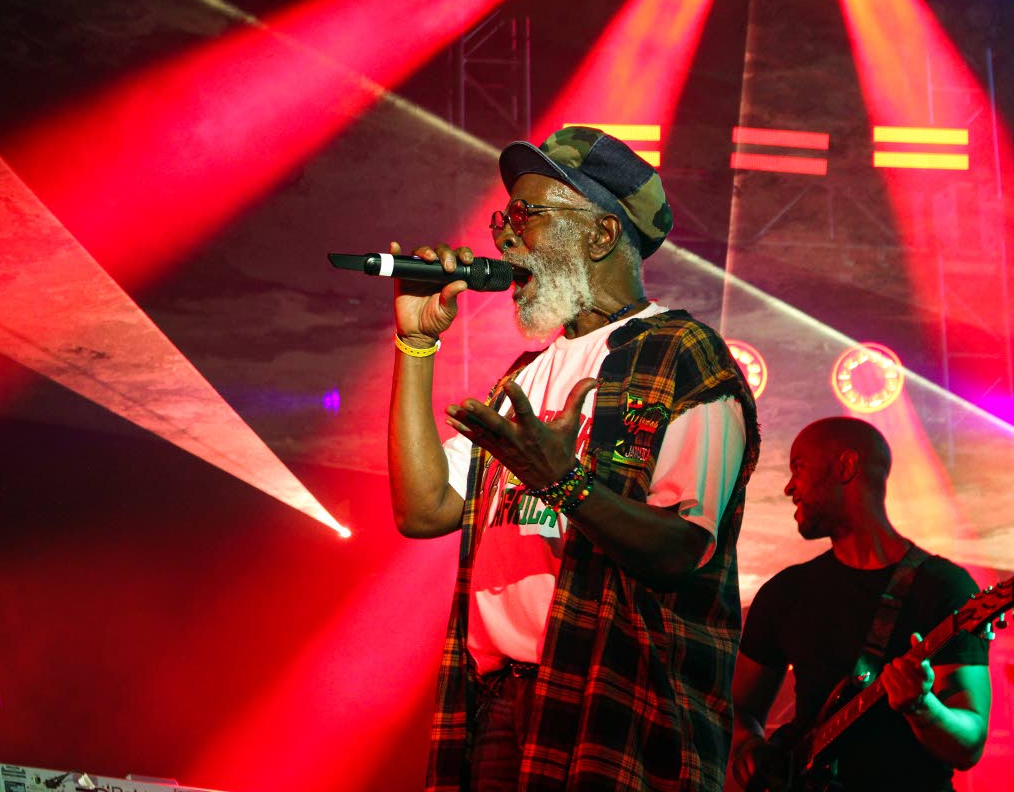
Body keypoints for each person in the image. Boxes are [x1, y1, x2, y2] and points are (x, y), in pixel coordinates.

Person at [388, 125, 760, 790]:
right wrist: (417, 345)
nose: (505, 239)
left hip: (614, 711)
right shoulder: (525, 376)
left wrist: (563, 480)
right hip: (496, 704)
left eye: (526, 216)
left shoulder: (681, 353)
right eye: (504, 220)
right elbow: (424, 508)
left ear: (601, 234)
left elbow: (680, 549)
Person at [730, 417, 991, 791]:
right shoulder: (784, 593)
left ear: (846, 466)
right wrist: (749, 748)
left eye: (798, 468)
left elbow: (970, 744)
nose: (789, 487)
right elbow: (739, 709)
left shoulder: (944, 587)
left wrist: (924, 708)